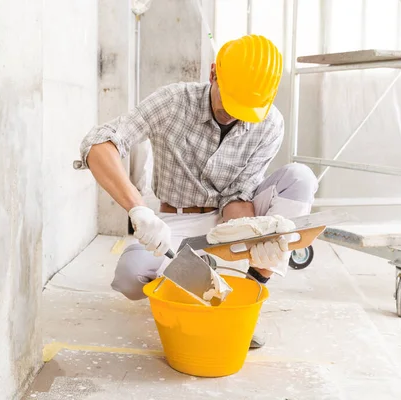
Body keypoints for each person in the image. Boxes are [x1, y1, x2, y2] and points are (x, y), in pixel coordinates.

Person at [75, 34, 319, 348]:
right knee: (130, 276)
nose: (236, 115)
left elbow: (239, 195)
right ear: (214, 73)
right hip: (175, 220)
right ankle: (204, 286)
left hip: (230, 213)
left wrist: (255, 238)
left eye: (248, 109)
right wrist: (139, 209)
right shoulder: (174, 103)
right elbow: (98, 145)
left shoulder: (270, 123)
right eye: (232, 102)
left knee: (301, 177)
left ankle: (246, 300)